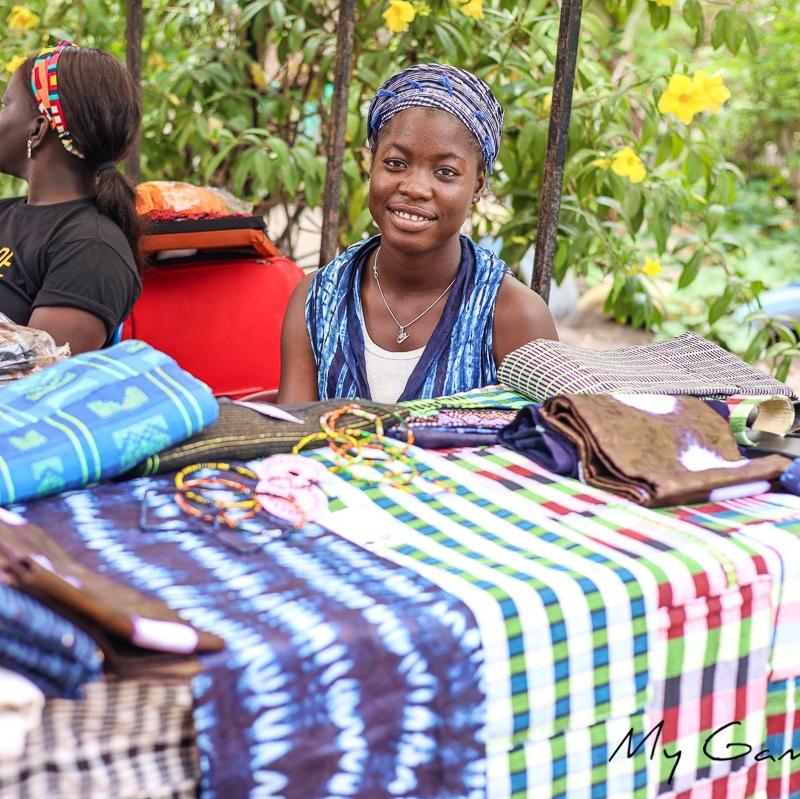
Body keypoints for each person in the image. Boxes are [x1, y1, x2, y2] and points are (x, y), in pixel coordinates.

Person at [278, 63, 557, 403]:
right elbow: (291, 442)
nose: (414, 188)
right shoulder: (318, 300)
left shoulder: (512, 315)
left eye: (445, 172)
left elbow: (549, 447)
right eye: (396, 163)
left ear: (478, 186)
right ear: (372, 165)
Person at [0, 41, 142, 355]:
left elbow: (34, 377)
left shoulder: (92, 248)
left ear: (37, 130)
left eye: (5, 104)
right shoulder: (6, 214)